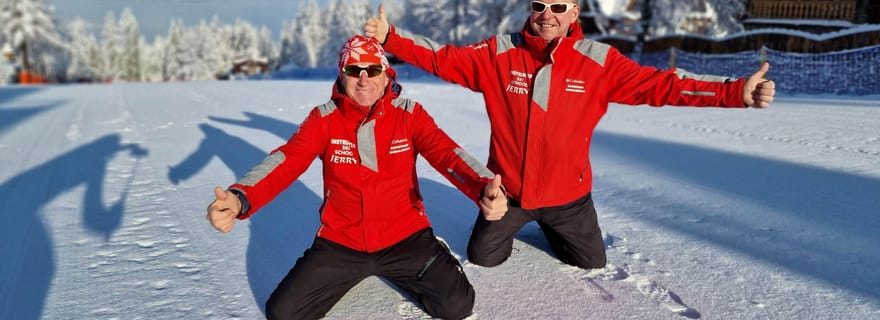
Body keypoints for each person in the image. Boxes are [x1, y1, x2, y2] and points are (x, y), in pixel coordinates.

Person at [365, 1, 776, 270]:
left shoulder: (598, 61)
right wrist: (390, 38)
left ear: (574, 11)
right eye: (539, 5)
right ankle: (529, 221)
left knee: (591, 263)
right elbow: (442, 58)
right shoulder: (499, 53)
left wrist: (734, 92)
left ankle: (554, 226)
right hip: (510, 195)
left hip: (569, 199)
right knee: (484, 258)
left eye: (558, 6)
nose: (547, 15)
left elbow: (662, 85)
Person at [206, 35, 507, 320]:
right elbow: (286, 161)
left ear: (386, 74)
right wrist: (240, 198)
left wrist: (483, 188)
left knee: (457, 305)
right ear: (342, 75)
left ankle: (434, 256)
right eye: (353, 70)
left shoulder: (409, 115)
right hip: (341, 242)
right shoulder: (324, 119)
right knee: (283, 313)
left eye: (372, 69)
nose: (364, 79)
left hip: (405, 238)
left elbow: (447, 154)